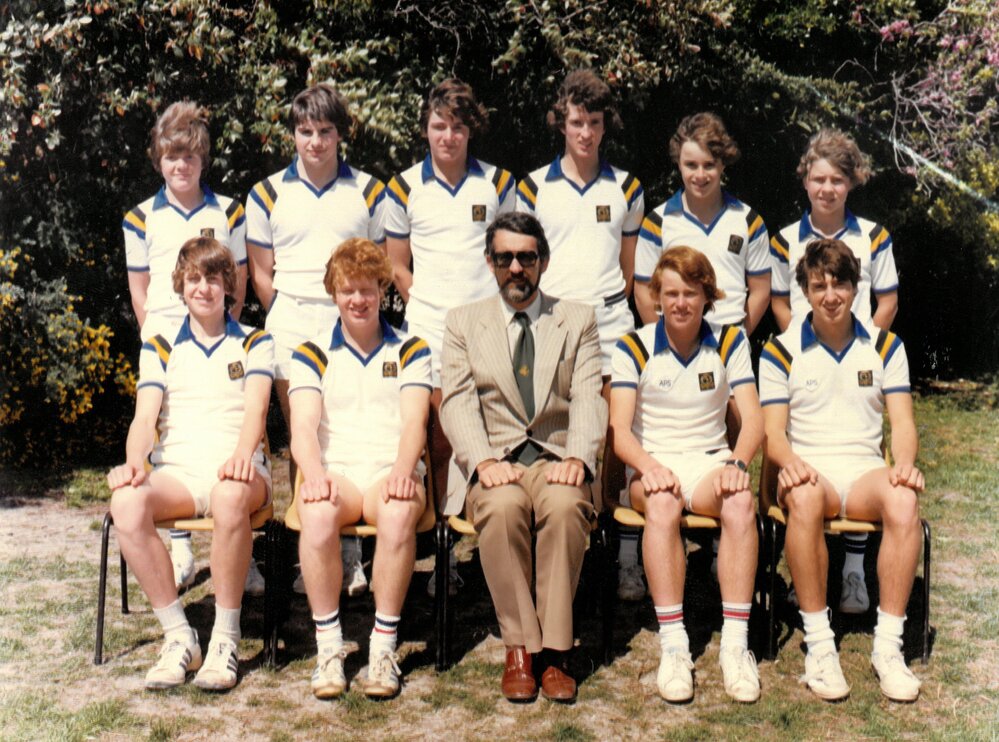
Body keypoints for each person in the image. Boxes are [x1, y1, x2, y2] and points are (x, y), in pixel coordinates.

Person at [440, 211, 607, 703]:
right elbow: (457, 401)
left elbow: (589, 399)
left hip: (557, 457)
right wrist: (484, 462)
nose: (517, 268)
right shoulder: (463, 323)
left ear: (544, 262)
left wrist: (578, 456)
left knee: (563, 506)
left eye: (527, 258)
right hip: (495, 462)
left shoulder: (578, 319)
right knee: (503, 507)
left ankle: (555, 653)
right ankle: (518, 646)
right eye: (506, 257)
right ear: (490, 262)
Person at [759, 238, 924, 702]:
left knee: (904, 499)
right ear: (804, 292)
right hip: (814, 471)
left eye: (840, 284)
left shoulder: (886, 345)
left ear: (856, 288)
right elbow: (773, 433)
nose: (830, 295)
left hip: (866, 471)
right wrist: (791, 465)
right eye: (819, 286)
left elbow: (904, 423)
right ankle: (820, 645)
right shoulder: (780, 350)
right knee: (806, 497)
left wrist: (905, 466)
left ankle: (888, 648)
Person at [107, 237, 274, 691]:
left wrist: (241, 457)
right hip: (177, 473)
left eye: (214, 279)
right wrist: (134, 463)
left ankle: (225, 638)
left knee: (227, 494)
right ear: (181, 285)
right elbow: (145, 417)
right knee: (126, 504)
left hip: (240, 472)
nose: (204, 288)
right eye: (195, 279)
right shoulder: (158, 346)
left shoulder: (256, 342)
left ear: (228, 286)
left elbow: (257, 412)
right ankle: (180, 636)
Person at [246, 83, 387, 597]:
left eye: (325, 132)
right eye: (306, 132)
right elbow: (262, 275)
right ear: (293, 134)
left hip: (349, 321)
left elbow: (379, 265)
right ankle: (310, 552)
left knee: (345, 430)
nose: (315, 142)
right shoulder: (264, 193)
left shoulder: (371, 191)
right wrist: (292, 312)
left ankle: (351, 557)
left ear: (340, 135)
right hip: (292, 323)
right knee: (304, 439)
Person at [609, 246, 763, 703]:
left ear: (706, 297)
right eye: (671, 293)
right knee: (661, 504)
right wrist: (651, 468)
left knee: (739, 502)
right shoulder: (632, 344)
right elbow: (620, 431)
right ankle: (674, 647)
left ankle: (735, 646)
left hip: (709, 458)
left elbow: (752, 420)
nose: (680, 303)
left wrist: (736, 465)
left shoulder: (731, 341)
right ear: (656, 296)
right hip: (651, 460)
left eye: (691, 294)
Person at [121, 101, 263, 595]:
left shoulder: (229, 210)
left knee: (235, 428)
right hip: (167, 340)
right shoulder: (139, 217)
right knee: (167, 437)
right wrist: (154, 336)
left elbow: (238, 278)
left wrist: (225, 326)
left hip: (220, 335)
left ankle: (242, 553)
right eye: (170, 157)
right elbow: (140, 289)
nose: (180, 166)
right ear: (159, 160)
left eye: (189, 157)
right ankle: (179, 545)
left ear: (203, 159)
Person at [515, 68, 645, 601]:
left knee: (615, 436)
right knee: (552, 432)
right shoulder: (531, 187)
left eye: (593, 122)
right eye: (575, 122)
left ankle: (623, 551)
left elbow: (630, 268)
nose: (585, 132)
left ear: (604, 125)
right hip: (550, 325)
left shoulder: (627, 187)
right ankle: (553, 546)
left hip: (612, 324)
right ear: (560, 124)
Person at [384, 79, 516, 595]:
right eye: (439, 125)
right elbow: (396, 264)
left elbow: (509, 255)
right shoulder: (403, 188)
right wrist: (428, 304)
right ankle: (443, 553)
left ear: (470, 131)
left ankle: (491, 546)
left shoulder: (498, 183)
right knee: (437, 441)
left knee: (491, 436)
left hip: (487, 330)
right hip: (429, 330)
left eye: (458, 126)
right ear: (426, 129)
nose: (448, 135)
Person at [289, 238, 432, 699]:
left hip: (392, 469)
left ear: (382, 289)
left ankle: (382, 649)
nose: (358, 300)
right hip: (339, 472)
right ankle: (329, 648)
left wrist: (403, 470)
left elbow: (415, 421)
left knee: (395, 510)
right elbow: (304, 429)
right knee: (316, 514)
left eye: (368, 289)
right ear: (334, 292)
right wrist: (314, 477)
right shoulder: (310, 352)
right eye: (348, 290)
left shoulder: (412, 348)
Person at [633, 112, 771, 585]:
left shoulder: (746, 218)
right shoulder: (659, 220)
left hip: (728, 344)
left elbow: (759, 288)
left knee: (732, 449)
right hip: (673, 343)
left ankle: (723, 550)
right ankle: (633, 556)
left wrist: (734, 338)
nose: (700, 174)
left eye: (709, 164)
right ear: (679, 164)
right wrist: (671, 335)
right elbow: (643, 289)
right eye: (691, 164)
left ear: (722, 165)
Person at [769, 129, 900, 613]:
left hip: (860, 360)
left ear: (852, 183)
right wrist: (804, 347)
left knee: (863, 448)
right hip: (809, 359)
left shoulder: (873, 236)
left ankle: (851, 573)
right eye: (818, 178)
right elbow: (781, 301)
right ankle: (801, 573)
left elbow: (887, 299)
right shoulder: (786, 239)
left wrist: (869, 345)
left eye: (837, 179)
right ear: (805, 180)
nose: (827, 188)